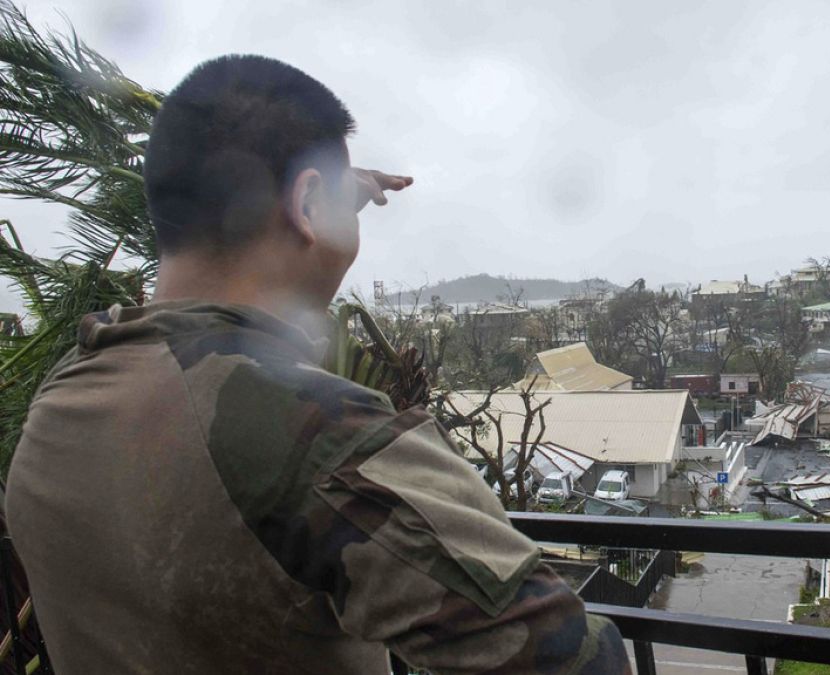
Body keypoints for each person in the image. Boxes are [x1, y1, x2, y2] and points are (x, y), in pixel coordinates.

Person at [5, 54, 630, 674]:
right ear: (306, 208)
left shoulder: (64, 397)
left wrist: (318, 196)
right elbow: (569, 659)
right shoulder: (317, 431)